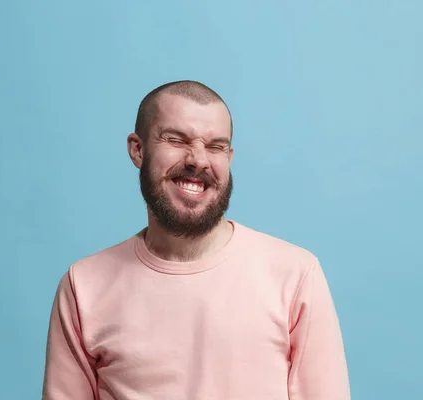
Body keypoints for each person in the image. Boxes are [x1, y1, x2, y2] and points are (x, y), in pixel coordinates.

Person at [42, 80, 350, 400]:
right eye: (176, 139)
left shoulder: (296, 275)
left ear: (229, 157)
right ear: (138, 149)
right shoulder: (84, 285)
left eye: (215, 146)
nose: (198, 160)